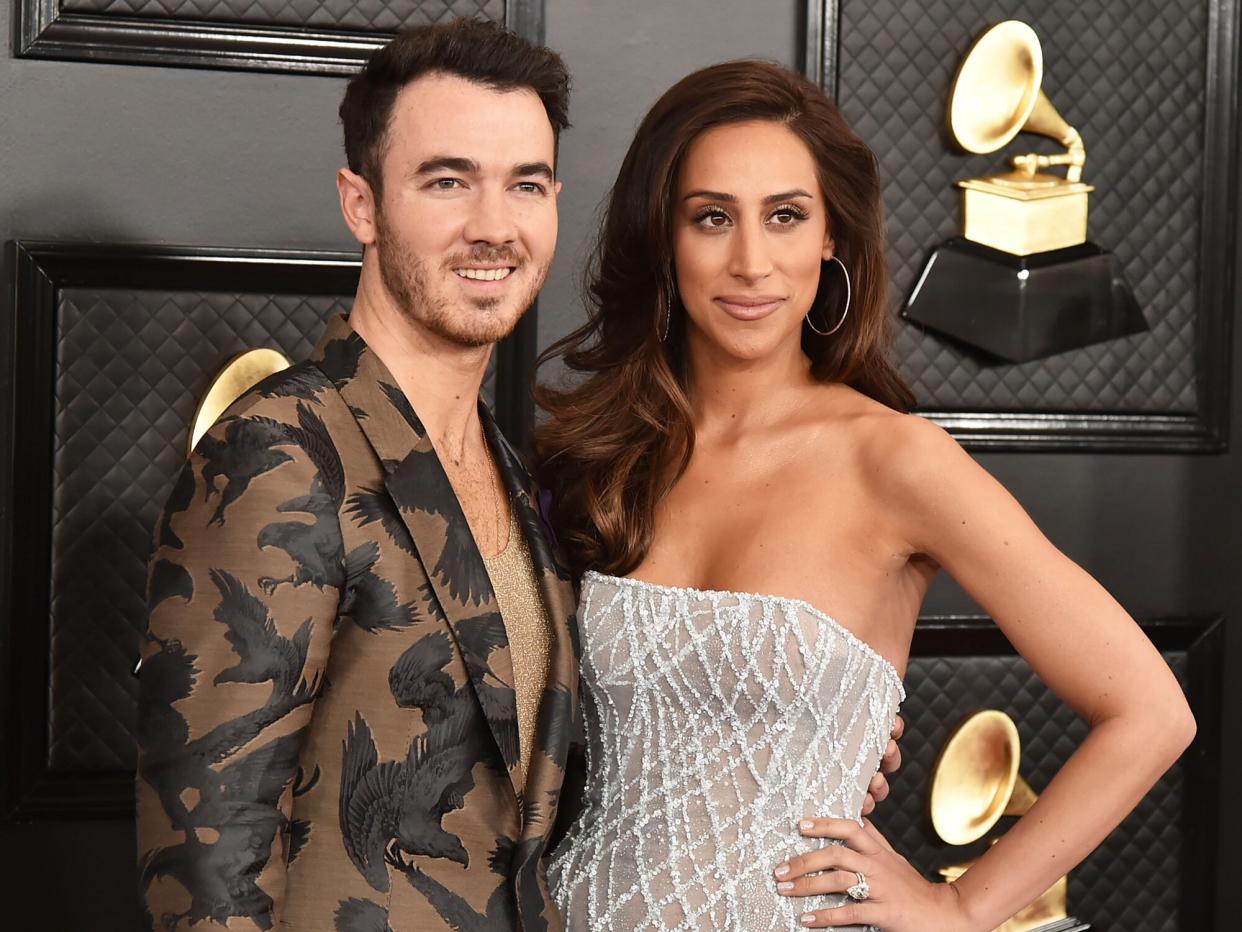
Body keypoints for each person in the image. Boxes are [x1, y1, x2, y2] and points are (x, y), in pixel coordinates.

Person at [135, 21, 900, 932]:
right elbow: (205, 873)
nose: (493, 226)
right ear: (362, 204)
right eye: (448, 180)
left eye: (525, 185)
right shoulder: (280, 448)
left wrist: (785, 732)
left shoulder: (509, 466)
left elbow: (526, 782)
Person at [536, 59, 1196, 932]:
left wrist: (959, 905)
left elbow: (1151, 712)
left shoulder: (896, 461)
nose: (750, 262)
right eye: (710, 218)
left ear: (830, 239)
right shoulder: (604, 454)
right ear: (664, 239)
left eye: (785, 216)